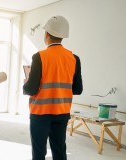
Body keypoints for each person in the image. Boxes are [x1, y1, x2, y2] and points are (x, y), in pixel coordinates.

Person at [23, 15, 83, 160]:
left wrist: (26, 82)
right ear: (63, 36)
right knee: (59, 151)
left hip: (40, 113)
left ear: (46, 34)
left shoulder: (39, 57)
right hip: (61, 113)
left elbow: (31, 89)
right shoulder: (74, 58)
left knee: (39, 153)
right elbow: (78, 89)